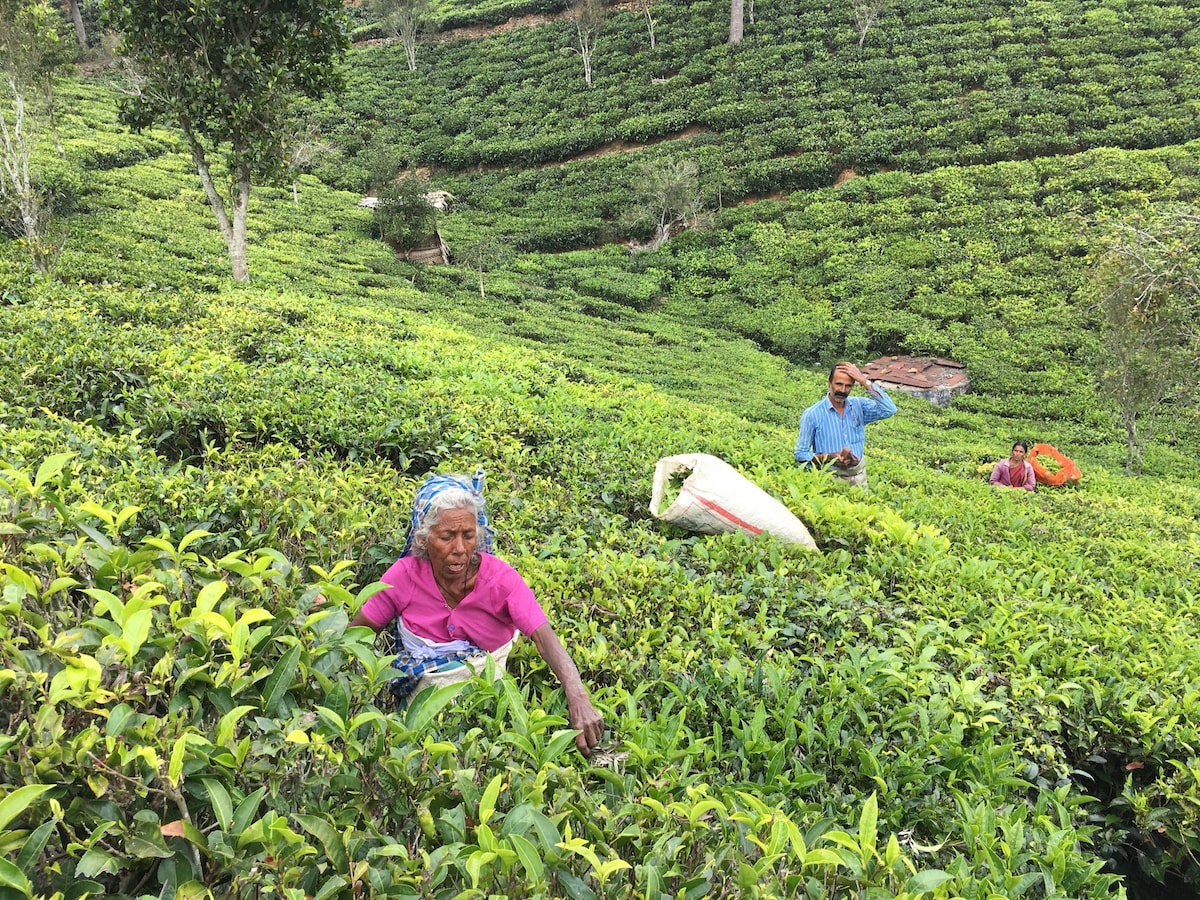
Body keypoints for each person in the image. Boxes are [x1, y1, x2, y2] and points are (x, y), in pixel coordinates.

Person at [350, 471, 605, 756]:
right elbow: (356, 636)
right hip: (419, 724)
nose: (460, 549)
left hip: (488, 717)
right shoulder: (404, 576)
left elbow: (544, 637)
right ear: (424, 539)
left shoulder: (500, 580)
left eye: (468, 536)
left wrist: (578, 695)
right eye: (447, 537)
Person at [794, 361, 897, 488]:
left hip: (859, 477)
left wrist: (864, 381)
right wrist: (829, 457)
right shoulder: (812, 414)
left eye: (848, 386)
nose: (843, 390)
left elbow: (889, 409)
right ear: (829, 383)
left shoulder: (859, 406)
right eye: (838, 384)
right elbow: (801, 454)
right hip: (829, 478)